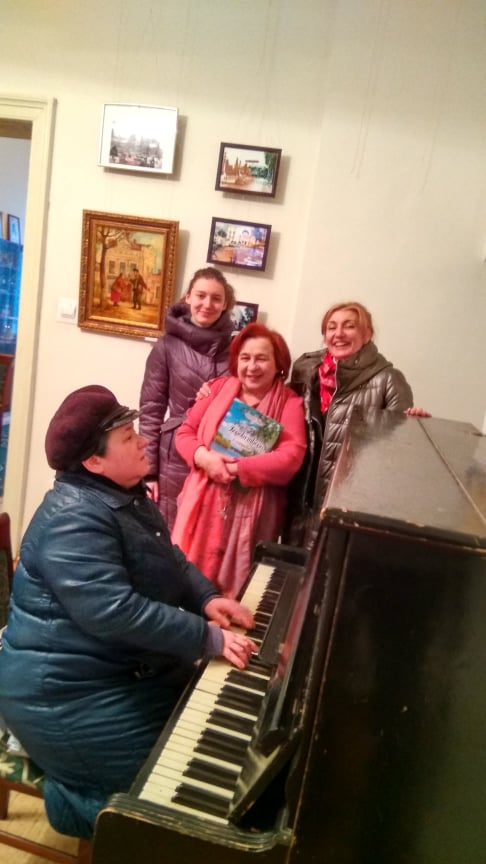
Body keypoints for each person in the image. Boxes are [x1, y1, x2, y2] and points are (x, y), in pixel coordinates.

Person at [0, 385, 256, 840]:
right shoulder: (74, 518)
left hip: (115, 675)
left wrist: (204, 598)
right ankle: (73, 800)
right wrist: (207, 637)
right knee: (159, 805)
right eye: (128, 436)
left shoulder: (121, 495)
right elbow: (114, 612)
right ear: (93, 461)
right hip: (63, 698)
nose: (143, 440)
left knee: (202, 753)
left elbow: (168, 558)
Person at [171, 322, 307, 598]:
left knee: (242, 594)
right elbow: (184, 433)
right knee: (189, 584)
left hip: (255, 512)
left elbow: (291, 458)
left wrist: (235, 468)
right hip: (203, 503)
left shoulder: (290, 403)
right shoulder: (216, 389)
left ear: (278, 364)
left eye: (261, 358)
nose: (252, 366)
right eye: (245, 358)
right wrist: (204, 458)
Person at [286, 301, 429, 547]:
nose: (338, 333)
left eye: (349, 326)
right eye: (332, 327)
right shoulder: (305, 371)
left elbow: (396, 455)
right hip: (298, 503)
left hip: (347, 506)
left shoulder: (389, 380)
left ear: (367, 334)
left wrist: (414, 430)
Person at [139, 266, 235, 531]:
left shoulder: (237, 349)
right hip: (174, 459)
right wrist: (148, 472)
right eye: (201, 295)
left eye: (216, 298)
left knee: (211, 537)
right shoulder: (166, 346)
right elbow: (151, 410)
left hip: (221, 453)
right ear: (188, 297)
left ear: (225, 304)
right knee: (173, 534)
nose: (207, 304)